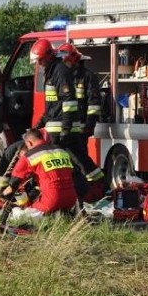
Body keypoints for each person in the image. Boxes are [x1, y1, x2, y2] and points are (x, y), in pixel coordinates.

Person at [57, 42, 106, 201]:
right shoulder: (65, 76)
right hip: (69, 127)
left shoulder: (87, 76)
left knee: (81, 160)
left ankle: (94, 190)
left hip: (82, 127)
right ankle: (80, 191)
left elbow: (94, 104)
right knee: (71, 161)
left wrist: (89, 125)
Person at [0, 129, 78, 221]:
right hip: (71, 198)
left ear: (29, 142)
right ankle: (62, 215)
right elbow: (74, 172)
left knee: (21, 215)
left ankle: (52, 216)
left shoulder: (30, 156)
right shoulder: (61, 151)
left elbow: (14, 183)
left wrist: (2, 197)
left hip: (51, 199)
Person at [30, 39, 78, 146]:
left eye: (40, 60)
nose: (39, 63)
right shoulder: (52, 72)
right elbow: (53, 106)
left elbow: (68, 101)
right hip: (56, 128)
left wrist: (65, 129)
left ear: (48, 57)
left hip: (62, 128)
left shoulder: (59, 71)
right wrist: (40, 123)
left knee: (77, 161)